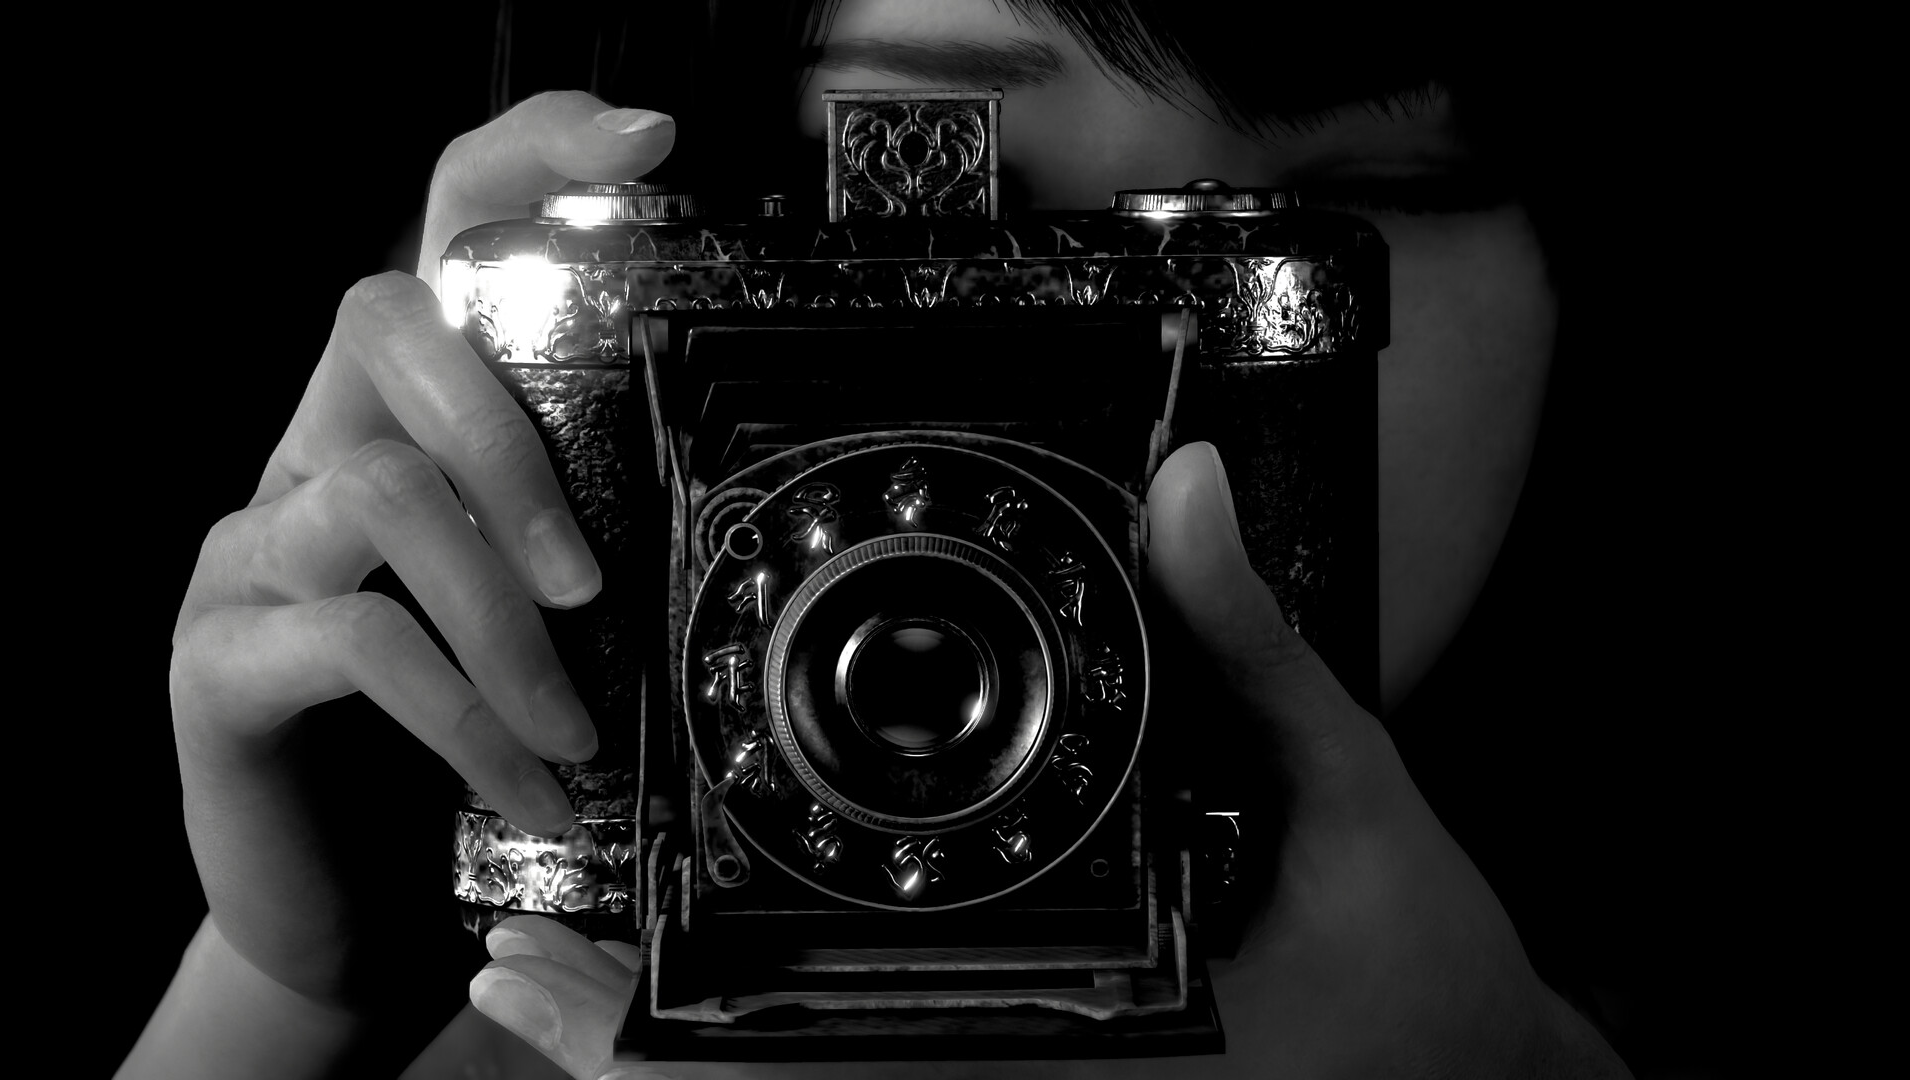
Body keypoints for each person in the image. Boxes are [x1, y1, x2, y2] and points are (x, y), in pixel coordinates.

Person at [122, 2, 1653, 1076]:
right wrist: (292, 1001)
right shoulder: (500, 1013)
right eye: (932, 215)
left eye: (1362, 193)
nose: (1135, 360)